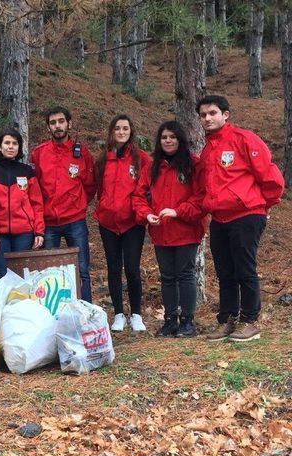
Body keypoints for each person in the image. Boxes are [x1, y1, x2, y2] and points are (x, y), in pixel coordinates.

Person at [197, 95, 284, 342]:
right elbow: (207, 189)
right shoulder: (207, 150)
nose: (207, 118)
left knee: (244, 268)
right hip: (220, 219)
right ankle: (227, 320)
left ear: (225, 115)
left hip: (247, 214)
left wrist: (264, 206)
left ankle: (250, 321)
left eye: (212, 113)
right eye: (203, 115)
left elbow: (270, 176)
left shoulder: (243, 139)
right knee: (225, 271)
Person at [133, 121, 206, 337]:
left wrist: (178, 211)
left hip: (186, 230)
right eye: (164, 137)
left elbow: (201, 197)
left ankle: (187, 321)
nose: (168, 141)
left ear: (180, 139)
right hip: (161, 231)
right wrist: (146, 214)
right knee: (167, 276)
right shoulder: (153, 167)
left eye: (172, 137)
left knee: (185, 274)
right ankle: (170, 320)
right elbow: (138, 196)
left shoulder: (193, 164)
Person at [30, 106, 95, 302]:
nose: (57, 126)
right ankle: (53, 315)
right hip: (49, 222)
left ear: (69, 123)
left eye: (61, 121)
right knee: (48, 271)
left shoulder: (81, 153)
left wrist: (77, 203)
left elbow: (90, 185)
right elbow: (34, 188)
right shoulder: (39, 153)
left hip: (75, 221)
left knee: (81, 270)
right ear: (48, 127)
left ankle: (86, 314)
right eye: (53, 123)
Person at [94, 114, 151, 333]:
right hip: (108, 222)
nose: (121, 132)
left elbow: (148, 186)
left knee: (133, 269)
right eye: (117, 128)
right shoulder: (103, 159)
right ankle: (118, 313)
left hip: (132, 223)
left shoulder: (141, 158)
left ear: (131, 131)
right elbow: (98, 187)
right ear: (111, 132)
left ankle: (136, 313)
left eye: (125, 128)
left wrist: (143, 211)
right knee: (113, 268)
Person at [0, 127, 45, 279]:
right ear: (0, 146)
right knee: (2, 274)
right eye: (7, 143)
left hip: (24, 233)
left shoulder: (27, 171)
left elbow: (37, 204)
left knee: (22, 276)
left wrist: (39, 231)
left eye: (14, 143)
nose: (11, 146)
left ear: (19, 147)